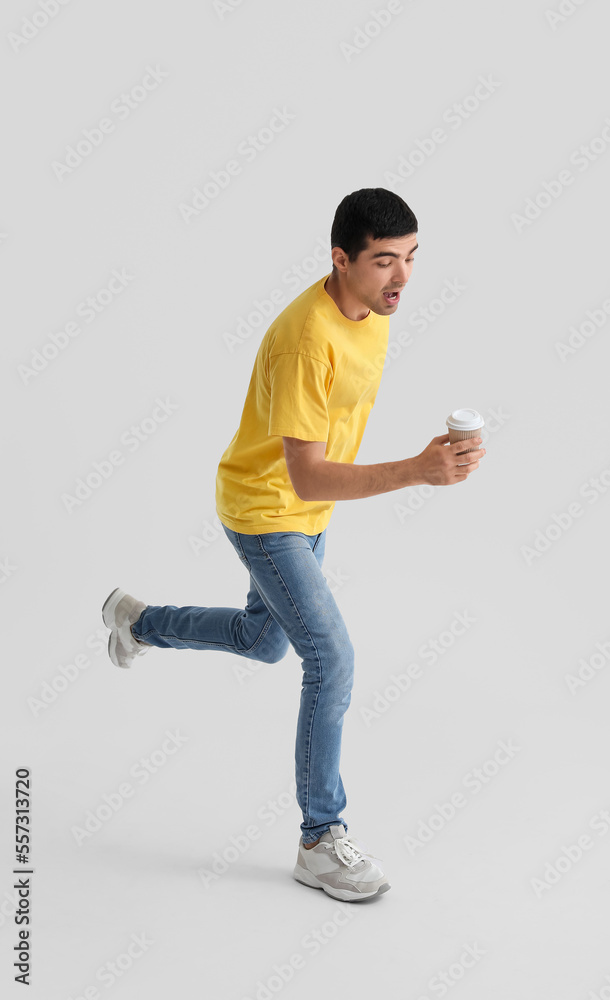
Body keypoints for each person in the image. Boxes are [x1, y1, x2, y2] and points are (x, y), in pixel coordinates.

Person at [101, 187, 486, 902]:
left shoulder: (370, 310)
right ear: (339, 260)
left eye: (409, 259)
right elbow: (305, 477)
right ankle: (319, 838)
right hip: (266, 511)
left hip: (306, 513)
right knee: (329, 657)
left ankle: (137, 620)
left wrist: (430, 461)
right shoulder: (303, 339)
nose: (400, 278)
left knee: (263, 639)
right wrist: (416, 472)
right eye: (381, 262)